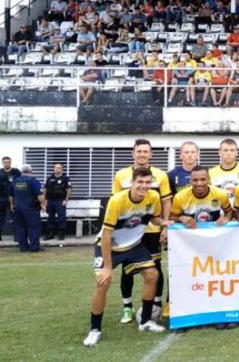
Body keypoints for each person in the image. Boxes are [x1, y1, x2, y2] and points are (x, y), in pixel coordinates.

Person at [83, 168, 169, 347]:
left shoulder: (153, 197)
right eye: (140, 182)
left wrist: (163, 222)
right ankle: (95, 330)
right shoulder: (117, 201)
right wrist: (107, 268)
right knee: (103, 282)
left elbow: (153, 219)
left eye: (147, 183)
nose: (144, 186)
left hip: (134, 246)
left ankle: (145, 322)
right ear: (132, 182)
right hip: (109, 246)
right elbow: (106, 235)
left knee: (152, 275)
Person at [112, 139, 172, 323]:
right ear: (133, 153)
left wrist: (164, 226)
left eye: (146, 152)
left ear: (151, 154)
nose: (142, 155)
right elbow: (116, 203)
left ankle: (155, 303)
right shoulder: (121, 175)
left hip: (151, 230)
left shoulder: (160, 175)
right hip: (127, 231)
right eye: (139, 151)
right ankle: (127, 307)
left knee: (155, 268)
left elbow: (166, 201)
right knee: (127, 268)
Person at [9, 165, 45, 252]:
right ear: (31, 171)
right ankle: (34, 247)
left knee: (21, 228)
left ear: (21, 172)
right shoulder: (33, 181)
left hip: (18, 208)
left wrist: (11, 205)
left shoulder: (15, 181)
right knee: (34, 227)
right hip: (31, 208)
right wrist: (43, 204)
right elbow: (40, 196)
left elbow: (11, 195)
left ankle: (23, 247)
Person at [44, 162, 72, 241]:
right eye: (55, 167)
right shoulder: (49, 178)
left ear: (62, 169)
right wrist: (45, 200)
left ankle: (61, 234)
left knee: (61, 218)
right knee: (50, 218)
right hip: (50, 201)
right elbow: (45, 189)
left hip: (60, 201)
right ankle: (50, 234)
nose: (57, 169)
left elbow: (69, 190)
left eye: (59, 168)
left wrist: (66, 200)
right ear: (53, 169)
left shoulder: (65, 178)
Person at [0, 156, 22, 240]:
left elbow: (20, 182)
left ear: (11, 162)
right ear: (2, 163)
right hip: (2, 197)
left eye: (8, 162)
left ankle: (17, 236)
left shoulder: (16, 172)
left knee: (15, 217)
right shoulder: (0, 172)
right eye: (5, 162)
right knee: (1, 217)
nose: (7, 163)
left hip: (14, 197)